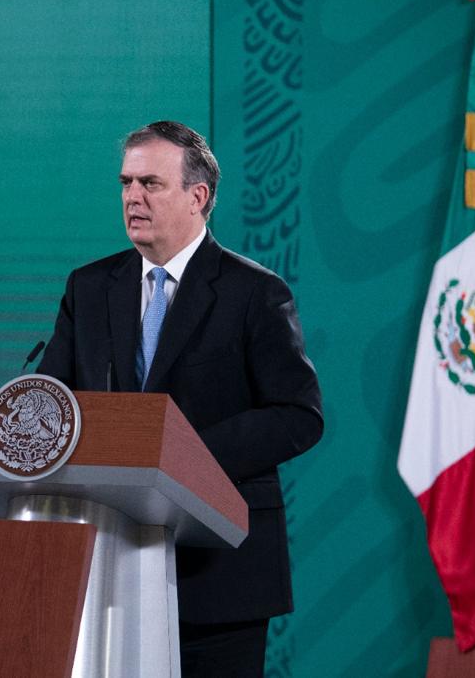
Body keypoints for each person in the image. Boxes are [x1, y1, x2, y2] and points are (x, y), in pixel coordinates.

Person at [36, 121, 323, 677]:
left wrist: (179, 456)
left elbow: (298, 415)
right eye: (126, 183)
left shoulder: (255, 293)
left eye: (151, 183)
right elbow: (53, 406)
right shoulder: (88, 288)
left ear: (198, 196)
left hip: (219, 573)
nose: (133, 197)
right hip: (104, 565)